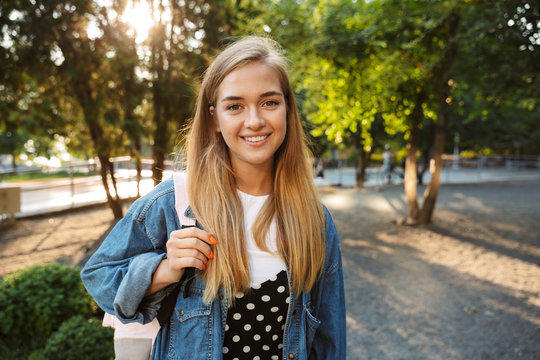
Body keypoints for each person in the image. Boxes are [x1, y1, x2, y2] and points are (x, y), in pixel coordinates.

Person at [81, 36, 346, 360]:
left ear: (287, 109)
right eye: (235, 106)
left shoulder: (315, 222)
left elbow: (329, 341)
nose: (254, 121)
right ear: (214, 119)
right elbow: (98, 276)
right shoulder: (172, 205)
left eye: (269, 102)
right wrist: (163, 270)